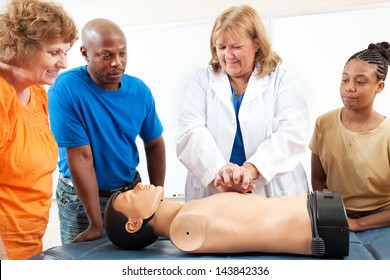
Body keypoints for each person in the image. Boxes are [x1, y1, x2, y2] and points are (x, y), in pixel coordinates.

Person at [48, 18, 166, 245]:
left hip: (129, 193)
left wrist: (157, 194)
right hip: (80, 200)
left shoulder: (139, 90)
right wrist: (95, 223)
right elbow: (81, 156)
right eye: (106, 55)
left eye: (122, 54)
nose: (117, 63)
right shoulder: (65, 89)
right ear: (85, 53)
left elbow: (154, 144)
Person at [175, 5, 310, 201]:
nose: (228, 55)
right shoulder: (201, 82)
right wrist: (220, 173)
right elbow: (190, 133)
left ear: (256, 44)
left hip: (272, 192)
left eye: (236, 47)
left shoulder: (281, 80)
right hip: (215, 190)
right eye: (221, 47)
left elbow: (291, 134)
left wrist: (249, 170)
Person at [0, 0, 78, 259]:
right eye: (55, 52)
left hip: (29, 245)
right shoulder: (2, 95)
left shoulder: (38, 93)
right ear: (23, 47)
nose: (64, 63)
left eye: (66, 52)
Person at [104, 183, 349, 258]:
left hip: (313, 210)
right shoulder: (184, 230)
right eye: (130, 195)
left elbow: (246, 218)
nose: (138, 186)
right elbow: (256, 229)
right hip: (315, 222)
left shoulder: (187, 215)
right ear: (133, 223)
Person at [310, 42, 390, 232]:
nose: (349, 88)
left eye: (360, 82)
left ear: (379, 87)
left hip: (382, 221)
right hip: (338, 217)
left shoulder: (386, 133)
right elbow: (318, 180)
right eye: (345, 80)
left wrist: (358, 224)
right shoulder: (324, 123)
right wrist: (334, 215)